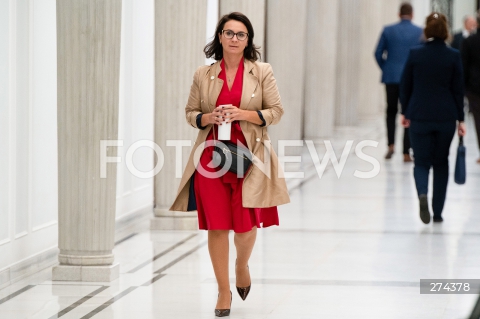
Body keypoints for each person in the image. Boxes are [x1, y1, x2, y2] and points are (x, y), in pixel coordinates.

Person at [169, 12, 290, 317]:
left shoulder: (261, 71)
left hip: (250, 158)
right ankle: (224, 290)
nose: (234, 39)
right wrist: (208, 118)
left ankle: (241, 264)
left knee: (245, 226)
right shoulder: (203, 74)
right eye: (229, 33)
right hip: (212, 157)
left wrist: (242, 114)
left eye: (241, 34)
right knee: (218, 225)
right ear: (219, 37)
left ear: (248, 40)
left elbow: (275, 111)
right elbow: (190, 113)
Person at [400, 12, 466, 224]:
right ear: (445, 31)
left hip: (419, 115)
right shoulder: (453, 55)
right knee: (441, 163)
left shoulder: (415, 54)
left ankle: (422, 193)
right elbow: (458, 90)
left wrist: (405, 112)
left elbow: (405, 85)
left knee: (421, 162)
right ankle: (437, 212)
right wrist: (461, 119)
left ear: (426, 30)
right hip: (445, 117)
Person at [375, 2, 423, 162]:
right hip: (410, 79)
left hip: (391, 77)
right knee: (408, 113)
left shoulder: (388, 30)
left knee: (390, 111)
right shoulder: (419, 32)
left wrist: (386, 67)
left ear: (398, 14)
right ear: (412, 14)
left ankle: (390, 145)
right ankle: (406, 151)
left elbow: (377, 52)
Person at [462, 11, 480, 164]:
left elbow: (464, 66)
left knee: (478, 121)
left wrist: (464, 87)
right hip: (474, 88)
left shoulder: (469, 41)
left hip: (474, 88)